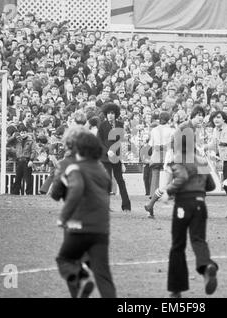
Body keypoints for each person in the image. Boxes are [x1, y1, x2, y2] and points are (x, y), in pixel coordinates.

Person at [56, 129, 116, 298]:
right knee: (103, 275)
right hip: (102, 229)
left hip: (79, 226)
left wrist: (63, 217)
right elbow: (106, 188)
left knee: (65, 259)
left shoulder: (73, 167)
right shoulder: (102, 170)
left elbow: (74, 190)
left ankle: (80, 282)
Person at [159, 132, 218, 298]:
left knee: (178, 246)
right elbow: (211, 185)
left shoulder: (177, 159)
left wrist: (168, 191)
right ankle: (206, 267)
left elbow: (182, 176)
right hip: (200, 204)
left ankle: (176, 290)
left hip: (183, 205)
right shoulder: (201, 160)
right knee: (198, 240)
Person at [97, 103, 131, 213]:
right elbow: (99, 142)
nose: (110, 115)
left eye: (112, 113)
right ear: (105, 114)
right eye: (108, 113)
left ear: (115, 114)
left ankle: (126, 206)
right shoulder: (102, 125)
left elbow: (121, 142)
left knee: (121, 181)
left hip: (116, 157)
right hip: (105, 158)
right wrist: (107, 152)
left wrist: (122, 159)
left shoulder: (121, 125)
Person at [144, 111, 174, 218]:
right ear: (169, 119)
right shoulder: (172, 130)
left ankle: (150, 207)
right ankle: (167, 197)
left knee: (155, 179)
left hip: (156, 155)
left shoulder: (154, 130)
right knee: (169, 179)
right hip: (167, 156)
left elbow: (150, 144)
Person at [10, 124, 38, 195]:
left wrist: (31, 160)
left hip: (27, 161)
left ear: (27, 132)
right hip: (19, 161)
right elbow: (8, 143)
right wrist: (13, 137)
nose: (23, 134)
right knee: (17, 178)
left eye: (24, 132)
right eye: (21, 132)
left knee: (28, 179)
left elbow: (33, 151)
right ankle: (15, 193)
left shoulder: (31, 140)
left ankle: (29, 193)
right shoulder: (17, 140)